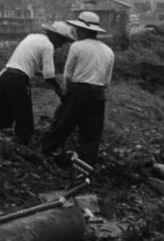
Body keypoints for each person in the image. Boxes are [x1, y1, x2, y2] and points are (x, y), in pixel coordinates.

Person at [38, 10, 116, 168]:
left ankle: (41, 154)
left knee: (61, 125)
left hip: (79, 91)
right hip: (98, 95)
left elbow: (68, 74)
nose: (77, 32)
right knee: (91, 135)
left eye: (79, 29)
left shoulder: (77, 47)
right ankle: (85, 168)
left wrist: (69, 93)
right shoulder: (109, 52)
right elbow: (107, 81)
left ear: (85, 30)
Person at [0, 20, 74, 144]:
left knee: (5, 113)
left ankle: (1, 141)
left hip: (6, 76)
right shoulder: (48, 45)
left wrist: (39, 73)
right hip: (18, 80)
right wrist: (59, 90)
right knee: (24, 115)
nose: (60, 46)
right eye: (61, 42)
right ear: (55, 36)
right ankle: (26, 145)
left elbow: (26, 62)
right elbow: (49, 75)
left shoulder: (32, 37)